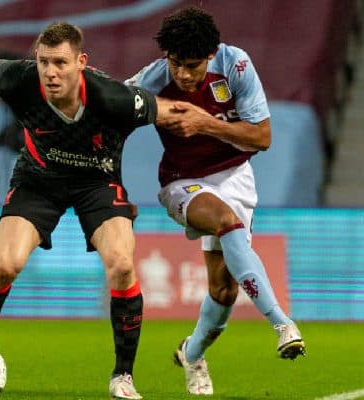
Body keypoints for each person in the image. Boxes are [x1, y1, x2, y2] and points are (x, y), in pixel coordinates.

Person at [0, 22, 174, 400]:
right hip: (38, 179)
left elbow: (173, 113)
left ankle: (122, 376)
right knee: (6, 265)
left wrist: (229, 132)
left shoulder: (114, 98)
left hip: (97, 181)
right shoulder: (18, 80)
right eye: (44, 62)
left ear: (81, 62)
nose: (51, 72)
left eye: (60, 62)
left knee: (122, 265)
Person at [126, 7, 306, 395]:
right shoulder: (153, 81)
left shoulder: (236, 65)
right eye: (176, 64)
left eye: (192, 65)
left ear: (211, 55)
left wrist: (204, 121)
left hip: (235, 176)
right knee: (226, 221)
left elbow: (262, 138)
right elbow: (110, 118)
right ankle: (282, 323)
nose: (184, 75)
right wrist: (113, 191)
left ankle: (191, 352)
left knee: (224, 292)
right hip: (182, 182)